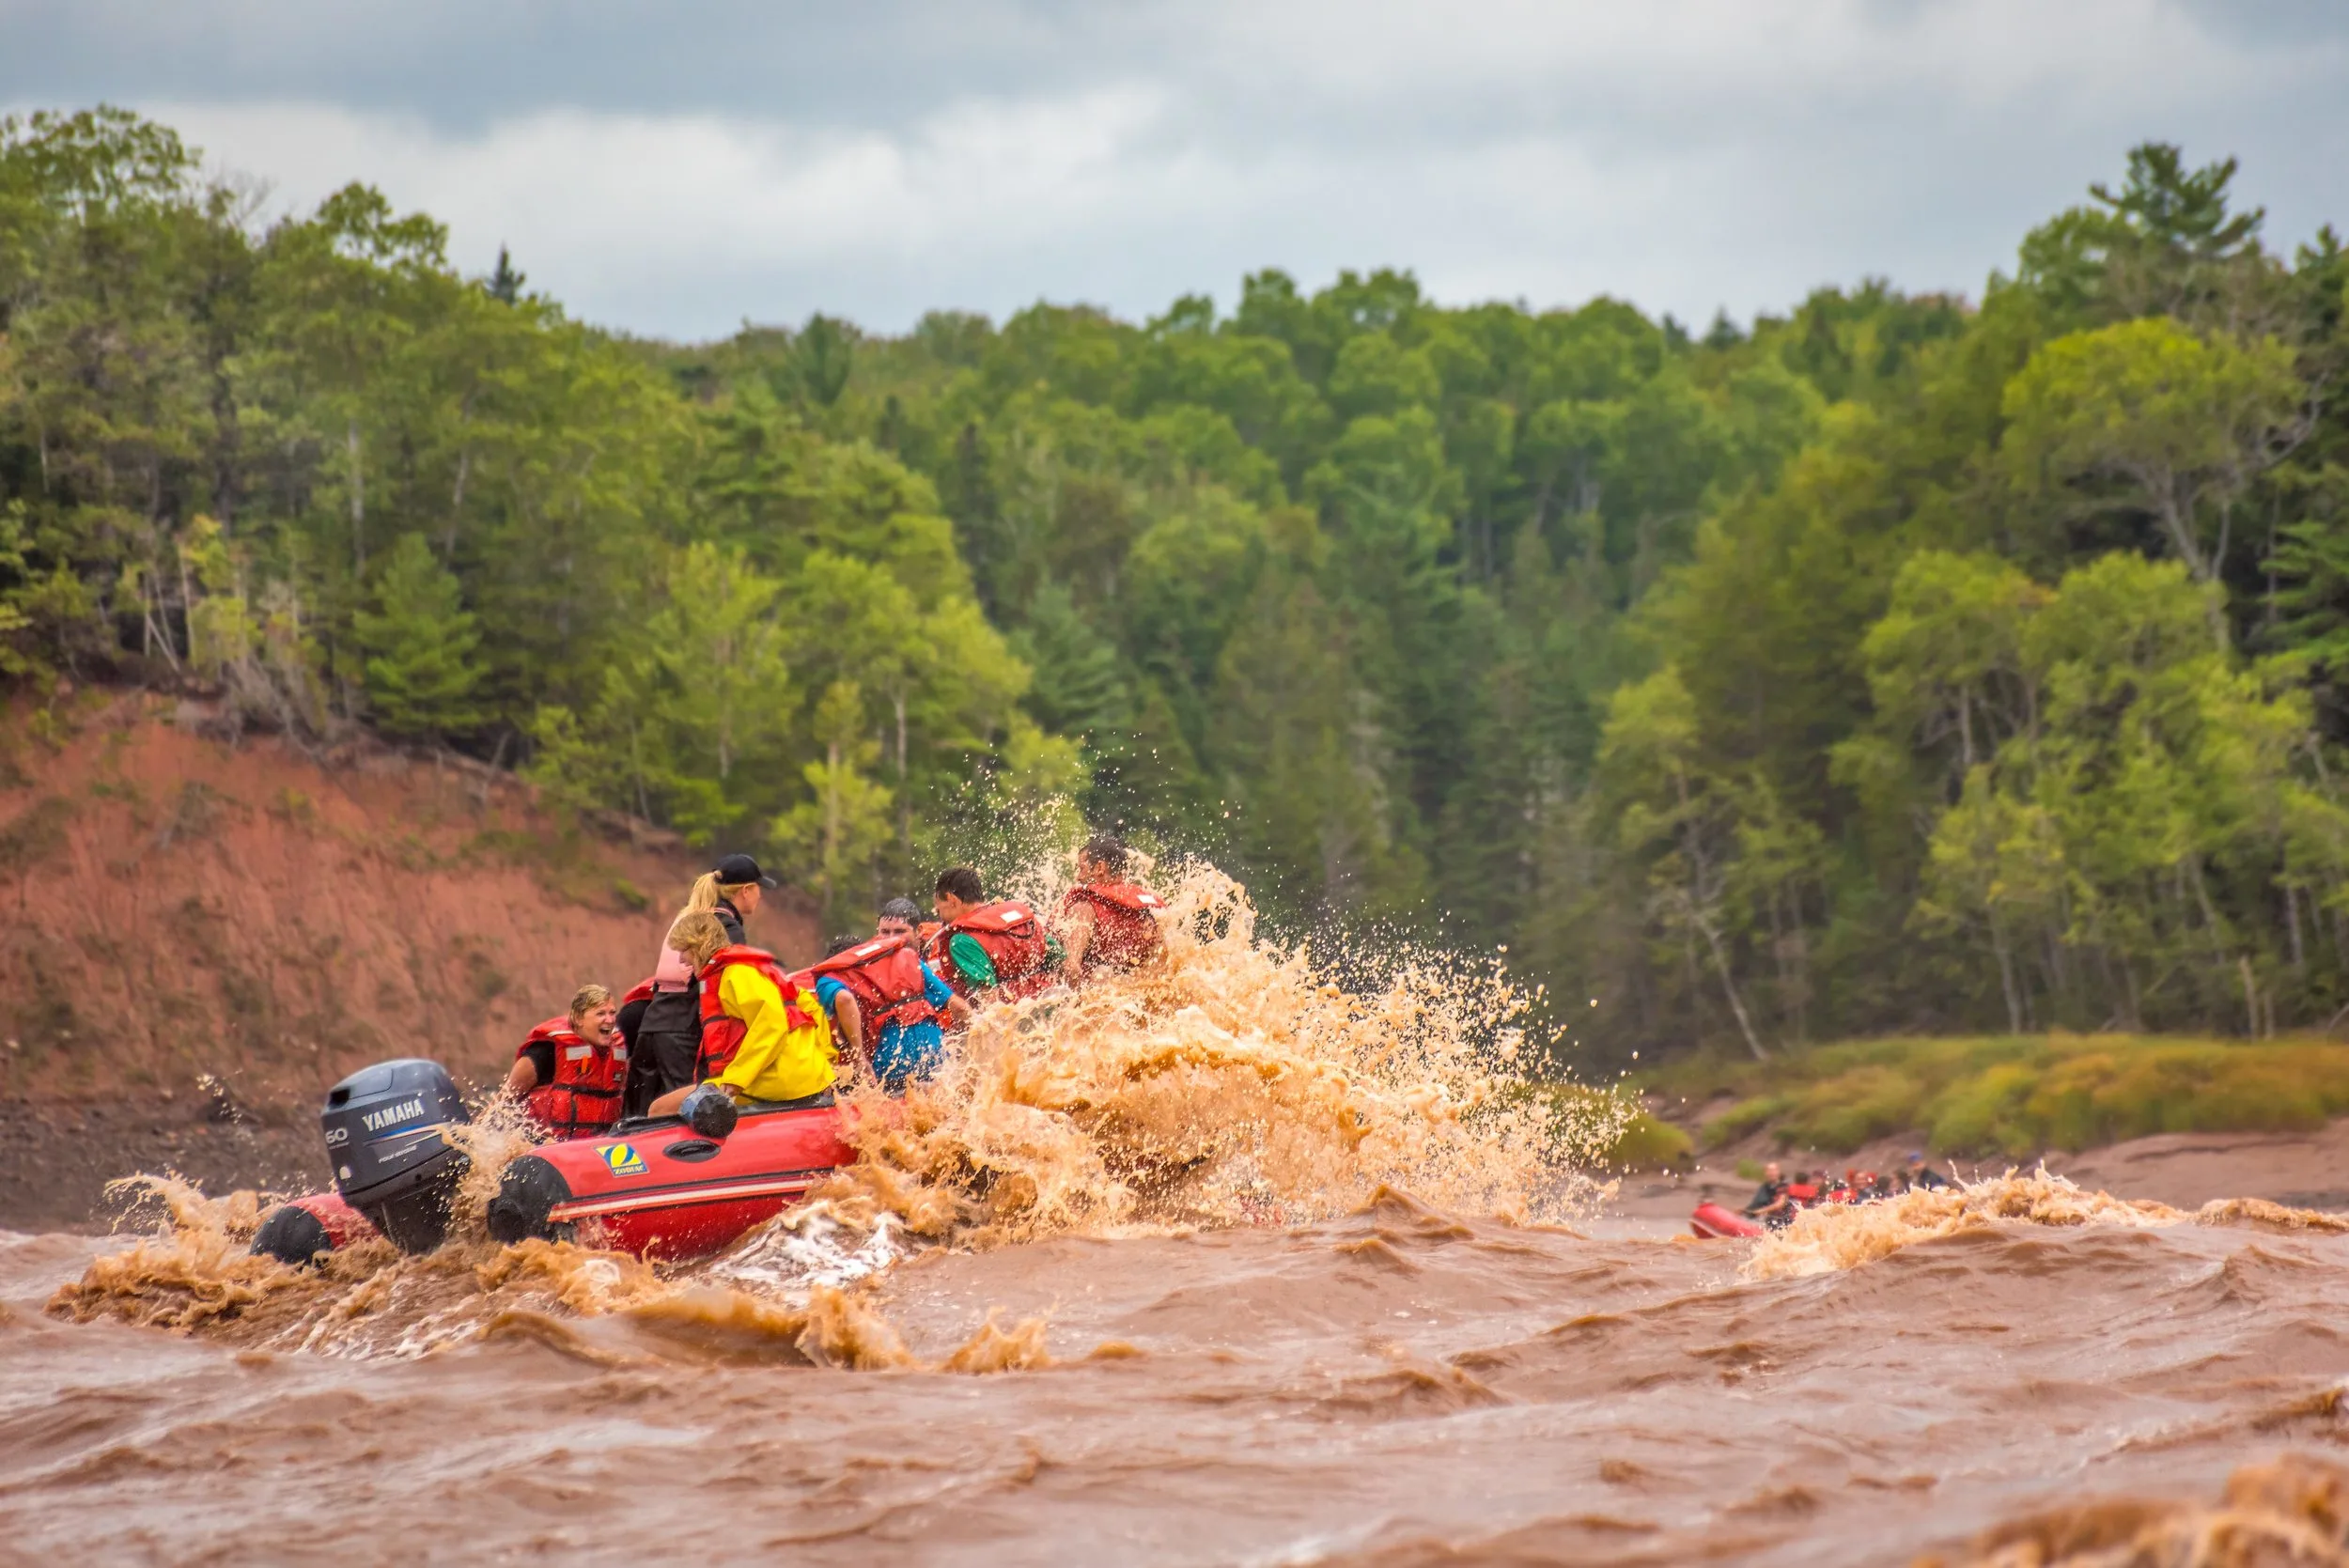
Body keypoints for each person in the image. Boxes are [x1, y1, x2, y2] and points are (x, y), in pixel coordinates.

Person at [628, 854, 778, 1116]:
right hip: (683, 1035)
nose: (760, 896)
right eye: (758, 889)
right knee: (689, 1114)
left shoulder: (691, 917)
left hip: (652, 1026)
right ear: (745, 891)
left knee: (637, 1118)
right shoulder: (725, 927)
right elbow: (726, 984)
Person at [646, 909, 836, 1116]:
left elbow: (772, 1024)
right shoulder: (748, 971)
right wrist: (825, 1063)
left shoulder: (735, 974)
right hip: (804, 1078)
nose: (682, 960)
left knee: (660, 1109)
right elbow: (810, 1007)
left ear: (700, 945)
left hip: (777, 1083)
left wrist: (736, 1078)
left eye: (685, 950)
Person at [807, 901, 970, 1094]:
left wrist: (859, 1058)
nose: (891, 939)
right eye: (885, 932)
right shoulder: (909, 958)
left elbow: (844, 1000)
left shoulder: (831, 976)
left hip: (891, 1065)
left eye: (899, 931)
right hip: (935, 1057)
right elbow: (961, 1008)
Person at [504, 984, 629, 1140]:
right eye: (600, 1014)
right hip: (544, 1147)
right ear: (578, 1019)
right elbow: (504, 1100)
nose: (610, 1020)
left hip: (596, 1149)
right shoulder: (545, 1050)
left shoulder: (617, 1052)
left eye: (612, 1013)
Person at [929, 865, 1058, 1002]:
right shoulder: (1022, 921)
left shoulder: (961, 941)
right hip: (1053, 1002)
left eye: (939, 910)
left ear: (951, 899)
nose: (941, 918)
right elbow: (1060, 957)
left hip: (1015, 1016)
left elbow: (990, 1000)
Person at [1056, 834, 1168, 983]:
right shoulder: (1149, 912)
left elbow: (1071, 967)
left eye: (1081, 868)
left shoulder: (1084, 908)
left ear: (1100, 868)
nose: (1078, 877)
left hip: (1097, 996)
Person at [1742, 1160, 1792, 1227]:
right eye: (1769, 1171)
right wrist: (1745, 1211)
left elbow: (1780, 1203)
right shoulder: (1765, 1186)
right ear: (1765, 1173)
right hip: (1765, 1219)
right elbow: (1757, 1203)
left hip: (1780, 1221)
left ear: (1778, 1172)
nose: (1772, 1173)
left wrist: (1761, 1211)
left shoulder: (1783, 1186)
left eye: (1774, 1170)